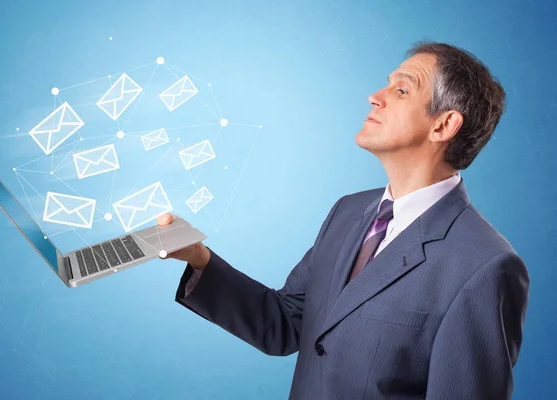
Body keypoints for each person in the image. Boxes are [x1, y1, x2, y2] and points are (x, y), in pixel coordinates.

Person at [157, 41, 530, 399]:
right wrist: (198, 258)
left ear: (443, 126)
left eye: (401, 91)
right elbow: (286, 324)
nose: (375, 96)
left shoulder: (485, 265)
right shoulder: (348, 212)